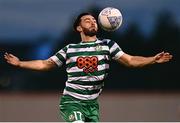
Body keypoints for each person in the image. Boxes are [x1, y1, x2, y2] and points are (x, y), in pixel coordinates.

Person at [4, 12, 172, 123]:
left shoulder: (108, 45)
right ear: (79, 28)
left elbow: (130, 60)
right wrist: (20, 63)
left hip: (92, 105)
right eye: (87, 20)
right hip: (71, 102)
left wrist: (152, 59)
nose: (92, 22)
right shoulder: (70, 49)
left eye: (94, 20)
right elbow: (45, 64)